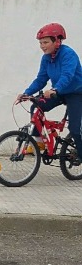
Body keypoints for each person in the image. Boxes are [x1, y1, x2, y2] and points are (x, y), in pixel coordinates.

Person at [18, 23, 82, 162]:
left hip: (76, 93)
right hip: (58, 92)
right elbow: (41, 79)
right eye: (40, 43)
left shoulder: (68, 54)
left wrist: (55, 89)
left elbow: (67, 75)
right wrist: (26, 93)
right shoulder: (46, 58)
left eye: (45, 42)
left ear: (57, 41)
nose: (42, 46)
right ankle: (39, 141)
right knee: (36, 106)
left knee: (75, 128)